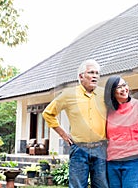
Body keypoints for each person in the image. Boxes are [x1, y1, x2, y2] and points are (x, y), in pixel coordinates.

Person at [42, 59, 108, 188]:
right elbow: (48, 113)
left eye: (97, 73)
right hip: (79, 150)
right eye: (91, 72)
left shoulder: (104, 94)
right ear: (81, 76)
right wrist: (63, 134)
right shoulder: (68, 94)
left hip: (101, 149)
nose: (95, 76)